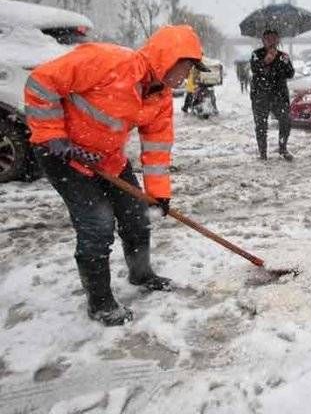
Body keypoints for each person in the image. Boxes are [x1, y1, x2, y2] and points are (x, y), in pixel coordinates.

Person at [24, 25, 208, 326]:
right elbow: (41, 82)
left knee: (136, 214)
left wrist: (158, 192)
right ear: (166, 57)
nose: (184, 76)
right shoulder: (108, 61)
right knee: (97, 223)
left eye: (189, 70)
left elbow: (158, 148)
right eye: (183, 66)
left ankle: (141, 273)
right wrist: (51, 133)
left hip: (107, 159)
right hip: (62, 154)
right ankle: (100, 303)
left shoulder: (160, 98)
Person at [250, 28, 295, 161]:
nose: (271, 41)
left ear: (278, 40)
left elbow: (290, 73)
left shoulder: (284, 56)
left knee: (285, 121)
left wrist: (285, 63)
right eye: (268, 39)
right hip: (260, 95)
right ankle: (263, 153)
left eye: (274, 38)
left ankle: (283, 148)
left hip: (279, 95)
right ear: (263, 40)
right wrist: (266, 61)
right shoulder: (256, 54)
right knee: (261, 125)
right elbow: (255, 69)